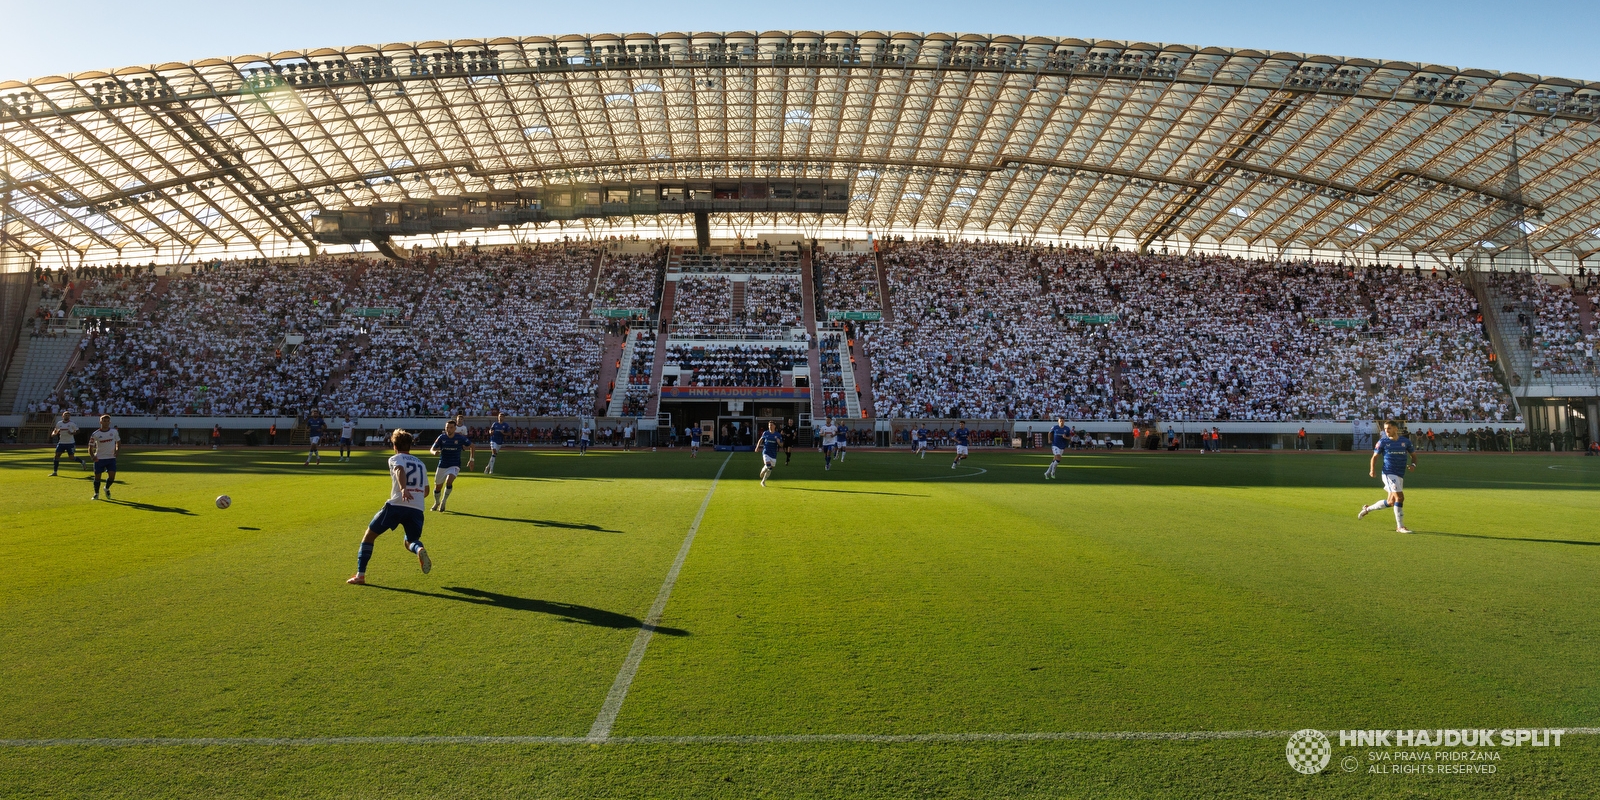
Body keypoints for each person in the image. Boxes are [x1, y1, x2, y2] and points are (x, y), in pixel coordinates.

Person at [346, 429, 432, 585]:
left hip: (397, 505)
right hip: (417, 507)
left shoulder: (395, 458)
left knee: (369, 536)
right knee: (411, 541)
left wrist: (404, 488)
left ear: (394, 445)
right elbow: (426, 491)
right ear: (410, 445)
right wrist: (414, 496)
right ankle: (419, 549)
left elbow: (399, 470)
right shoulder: (421, 463)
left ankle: (360, 575)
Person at [1358, 420, 1418, 534]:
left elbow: (1414, 456)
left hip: (1400, 474)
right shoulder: (1383, 442)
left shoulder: (1405, 442)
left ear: (1396, 429)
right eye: (1385, 429)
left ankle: (1367, 509)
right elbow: (1374, 457)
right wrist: (1372, 470)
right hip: (1388, 473)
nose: (1386, 431)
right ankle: (1400, 527)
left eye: (1389, 428)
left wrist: (1413, 465)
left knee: (1391, 502)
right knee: (1400, 498)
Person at [429, 420, 474, 512]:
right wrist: (434, 452)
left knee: (449, 481)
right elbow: (432, 449)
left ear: (455, 428)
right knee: (438, 487)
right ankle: (437, 502)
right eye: (447, 428)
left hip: (454, 464)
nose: (448, 430)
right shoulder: (441, 437)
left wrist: (471, 460)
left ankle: (443, 501)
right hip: (442, 465)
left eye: (451, 428)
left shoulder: (460, 438)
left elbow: (472, 446)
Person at [89, 415, 119, 501]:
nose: (106, 423)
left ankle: (106, 488)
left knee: (112, 477)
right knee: (97, 477)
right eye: (104, 421)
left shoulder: (114, 432)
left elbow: (118, 442)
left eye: (107, 421)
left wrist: (117, 451)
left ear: (110, 422)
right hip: (99, 458)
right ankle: (96, 494)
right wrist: (92, 456)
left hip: (111, 458)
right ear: (100, 422)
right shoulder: (95, 434)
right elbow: (90, 446)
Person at [50, 412, 85, 476]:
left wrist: (72, 433)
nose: (67, 416)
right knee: (57, 455)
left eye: (68, 416)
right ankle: (55, 471)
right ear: (63, 416)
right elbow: (55, 430)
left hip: (70, 443)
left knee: (71, 458)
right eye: (65, 415)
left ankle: (82, 462)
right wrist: (53, 434)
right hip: (61, 442)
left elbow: (78, 431)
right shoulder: (59, 423)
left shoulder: (72, 423)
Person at [757, 421, 782, 487]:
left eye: (771, 425)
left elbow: (781, 445)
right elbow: (761, 440)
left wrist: (779, 442)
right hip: (766, 452)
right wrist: (757, 447)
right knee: (768, 464)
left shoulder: (778, 435)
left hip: (773, 454)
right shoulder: (766, 433)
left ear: (774, 426)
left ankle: (763, 481)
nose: (770, 426)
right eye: (769, 425)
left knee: (770, 468)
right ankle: (762, 472)